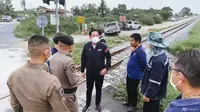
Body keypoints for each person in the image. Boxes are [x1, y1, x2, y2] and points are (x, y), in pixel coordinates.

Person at [7, 35, 69, 112]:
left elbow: (15, 105)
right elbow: (61, 110)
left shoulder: (13, 76)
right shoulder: (52, 81)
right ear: (46, 53)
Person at [81, 29, 111, 112]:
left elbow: (108, 57)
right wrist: (82, 71)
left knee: (98, 89)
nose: (95, 37)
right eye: (93, 35)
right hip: (90, 72)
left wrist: (106, 68)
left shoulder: (103, 46)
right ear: (90, 36)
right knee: (89, 89)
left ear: (99, 36)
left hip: (100, 72)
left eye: (96, 35)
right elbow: (83, 59)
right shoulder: (86, 46)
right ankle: (87, 104)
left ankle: (98, 104)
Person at [49, 34, 81, 112]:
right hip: (68, 96)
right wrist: (79, 76)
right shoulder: (68, 61)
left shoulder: (52, 57)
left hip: (57, 94)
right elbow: (73, 82)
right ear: (70, 47)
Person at [141, 32, 169, 112]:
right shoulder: (158, 56)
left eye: (149, 43)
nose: (148, 45)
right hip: (153, 95)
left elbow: (155, 81)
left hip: (153, 96)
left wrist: (147, 95)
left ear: (154, 45)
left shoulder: (158, 61)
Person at [123, 33, 147, 112]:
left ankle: (133, 105)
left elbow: (144, 65)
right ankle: (129, 102)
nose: (130, 42)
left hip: (135, 75)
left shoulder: (140, 52)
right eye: (130, 40)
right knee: (129, 89)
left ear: (137, 41)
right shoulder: (135, 49)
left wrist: (138, 72)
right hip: (130, 74)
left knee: (133, 90)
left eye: (132, 41)